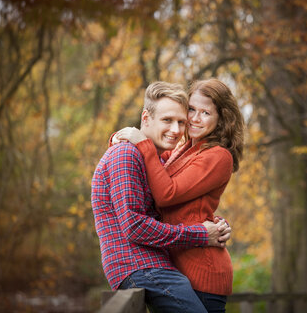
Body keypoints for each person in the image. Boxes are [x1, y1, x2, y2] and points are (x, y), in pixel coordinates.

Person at [91, 81, 231, 313]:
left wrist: (215, 222)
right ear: (145, 118)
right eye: (167, 120)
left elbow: (181, 202)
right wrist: (201, 234)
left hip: (158, 266)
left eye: (180, 122)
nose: (176, 130)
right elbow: (134, 226)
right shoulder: (126, 154)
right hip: (138, 266)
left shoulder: (159, 159)